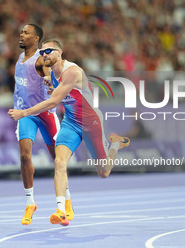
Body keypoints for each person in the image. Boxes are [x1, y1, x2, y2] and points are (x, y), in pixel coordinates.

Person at [8, 39, 130, 226]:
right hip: (71, 123)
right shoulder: (51, 75)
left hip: (92, 123)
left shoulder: (72, 71)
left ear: (60, 52)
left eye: (48, 51)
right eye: (42, 52)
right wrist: (51, 85)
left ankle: (114, 144)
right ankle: (60, 210)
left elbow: (52, 102)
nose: (44, 54)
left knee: (104, 172)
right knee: (59, 161)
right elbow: (56, 91)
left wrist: (23, 112)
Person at [13, 25, 73, 226]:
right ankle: (30, 203)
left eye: (26, 33)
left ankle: (66, 201)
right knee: (24, 156)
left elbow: (46, 71)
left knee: (58, 159)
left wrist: (49, 78)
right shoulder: (19, 60)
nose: (21, 35)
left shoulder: (40, 58)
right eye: (21, 32)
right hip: (25, 114)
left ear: (36, 38)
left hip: (46, 114)